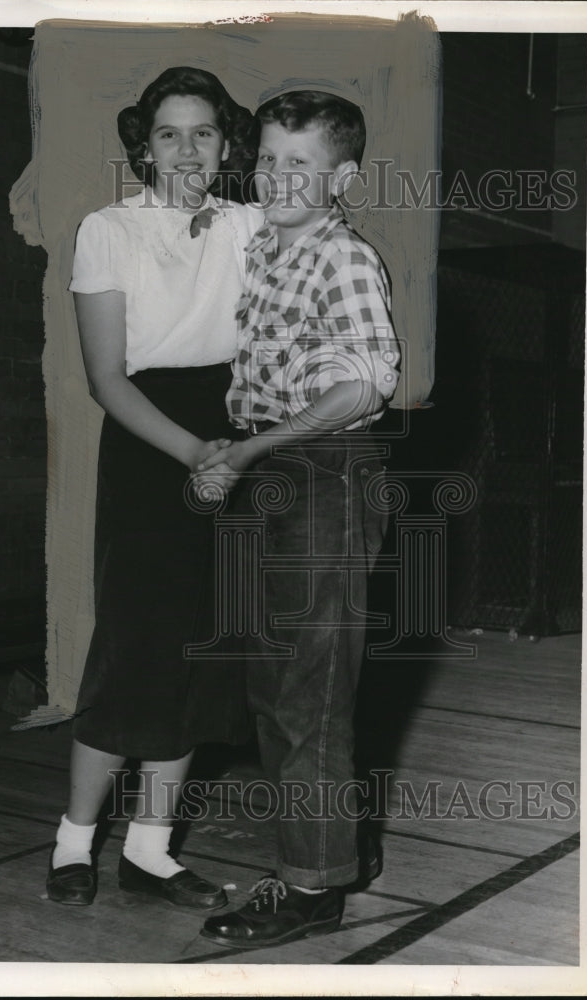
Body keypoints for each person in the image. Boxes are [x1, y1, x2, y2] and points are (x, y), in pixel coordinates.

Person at [46, 66, 264, 911]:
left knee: (200, 651)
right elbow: (107, 378)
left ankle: (150, 850)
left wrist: (236, 451)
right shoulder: (108, 228)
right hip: (151, 440)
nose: (186, 149)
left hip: (233, 436)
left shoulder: (252, 224)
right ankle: (73, 841)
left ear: (225, 143)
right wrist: (193, 452)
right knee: (136, 646)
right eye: (168, 133)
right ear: (143, 142)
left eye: (203, 132)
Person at [195, 90, 401, 947]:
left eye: (301, 164)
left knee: (309, 692)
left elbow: (364, 385)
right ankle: (330, 850)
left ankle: (313, 890)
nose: (278, 177)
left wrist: (247, 452)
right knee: (274, 687)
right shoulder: (270, 252)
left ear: (343, 177)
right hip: (277, 469)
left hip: (327, 472)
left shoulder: (343, 258)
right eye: (270, 158)